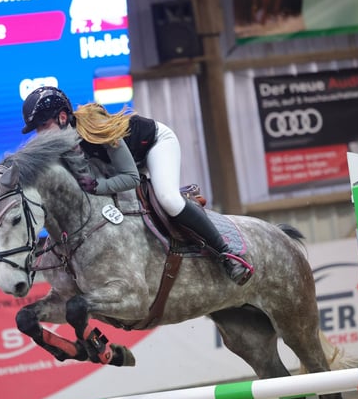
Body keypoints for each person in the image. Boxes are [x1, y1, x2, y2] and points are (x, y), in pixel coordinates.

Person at [20, 86, 253, 285]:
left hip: (154, 145)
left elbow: (130, 178)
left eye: (43, 126)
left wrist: (98, 187)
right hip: (124, 163)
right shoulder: (60, 145)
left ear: (62, 117)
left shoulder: (94, 129)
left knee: (168, 199)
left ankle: (227, 254)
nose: (40, 135)